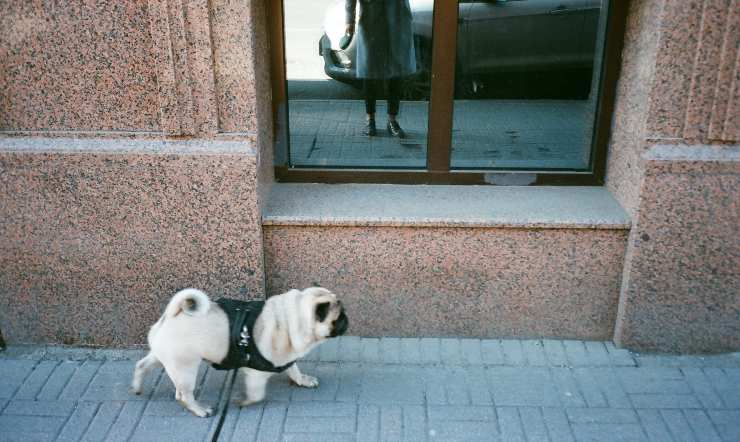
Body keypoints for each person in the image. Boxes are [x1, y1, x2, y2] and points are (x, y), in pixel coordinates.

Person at [344, 0, 416, 138]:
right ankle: (370, 119)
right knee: (370, 73)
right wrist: (349, 20)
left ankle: (392, 121)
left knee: (396, 73)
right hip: (371, 18)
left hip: (397, 18)